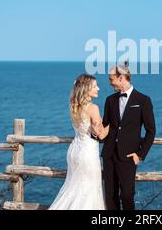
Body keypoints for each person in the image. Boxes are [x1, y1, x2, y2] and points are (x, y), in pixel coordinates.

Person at [48, 74, 109, 210]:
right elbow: (100, 134)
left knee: (73, 188)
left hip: (74, 151)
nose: (98, 88)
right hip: (87, 153)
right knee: (90, 191)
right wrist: (114, 122)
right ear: (86, 89)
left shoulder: (74, 106)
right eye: (94, 86)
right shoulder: (93, 108)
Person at [101, 63, 156, 210]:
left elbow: (151, 131)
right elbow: (104, 127)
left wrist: (140, 154)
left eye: (110, 78)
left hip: (129, 156)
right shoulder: (109, 100)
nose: (109, 82)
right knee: (110, 196)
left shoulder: (143, 100)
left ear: (120, 78)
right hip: (109, 154)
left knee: (126, 195)